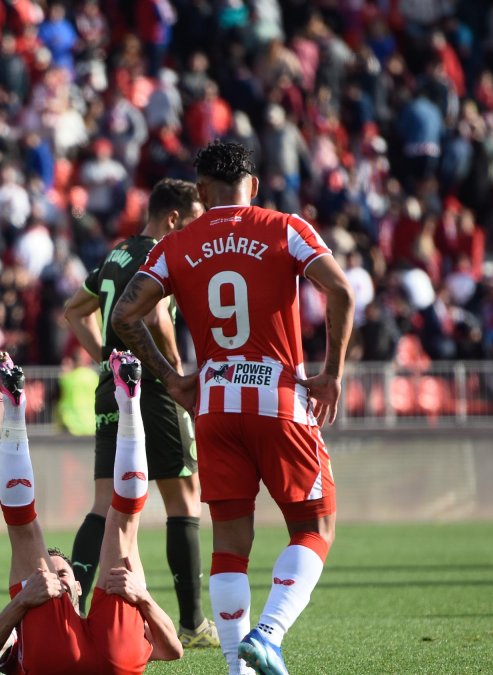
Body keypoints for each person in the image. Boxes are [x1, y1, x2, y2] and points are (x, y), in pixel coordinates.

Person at [109, 140, 355, 675]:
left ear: (201, 191)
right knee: (316, 526)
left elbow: (125, 315)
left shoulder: (177, 244)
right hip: (278, 399)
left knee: (230, 543)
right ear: (255, 186)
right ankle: (267, 634)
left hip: (214, 405)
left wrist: (173, 379)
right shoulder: (284, 226)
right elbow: (340, 292)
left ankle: (236, 668)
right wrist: (332, 375)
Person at [63, 178, 218, 648]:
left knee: (103, 502)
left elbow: (75, 309)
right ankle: (192, 625)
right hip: (152, 388)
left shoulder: (117, 255)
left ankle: (72, 611)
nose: (196, 230)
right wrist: (176, 377)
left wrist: (102, 358)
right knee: (185, 496)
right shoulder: (161, 254)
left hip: (112, 386)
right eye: (193, 220)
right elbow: (153, 318)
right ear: (173, 218)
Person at [0, 351, 182, 675]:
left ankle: (15, 408)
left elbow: (172, 651)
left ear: (79, 585)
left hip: (58, 658)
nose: (55, 579)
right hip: (107, 658)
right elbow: (173, 651)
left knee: (26, 529)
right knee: (122, 522)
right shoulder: (22, 627)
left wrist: (27, 597)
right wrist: (142, 598)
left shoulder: (38, 611)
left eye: (61, 574)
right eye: (54, 574)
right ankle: (129, 402)